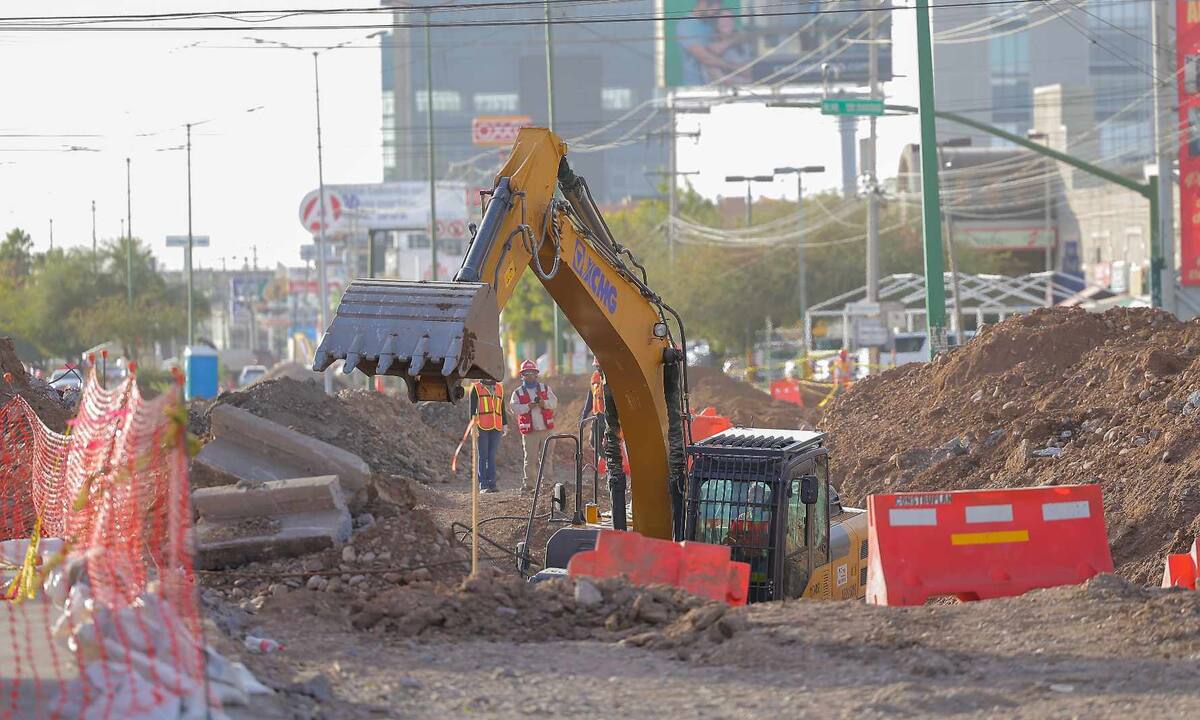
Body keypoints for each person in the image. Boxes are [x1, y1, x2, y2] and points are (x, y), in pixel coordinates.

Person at [509, 359, 559, 492]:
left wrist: (544, 403)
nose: (530, 376)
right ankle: (529, 484)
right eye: (527, 374)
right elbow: (514, 408)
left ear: (536, 374)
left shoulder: (544, 388)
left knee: (547, 458)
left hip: (546, 429)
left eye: (532, 373)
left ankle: (547, 483)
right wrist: (527, 407)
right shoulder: (518, 393)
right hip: (530, 431)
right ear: (522, 376)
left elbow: (554, 402)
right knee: (530, 458)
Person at [468, 378, 507, 493]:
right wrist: (473, 426)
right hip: (482, 426)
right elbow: (472, 410)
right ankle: (483, 485)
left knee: (492, 456)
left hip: (496, 426)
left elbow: (502, 407)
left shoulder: (499, 388)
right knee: (483, 456)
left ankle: (492, 484)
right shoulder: (476, 388)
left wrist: (505, 424)